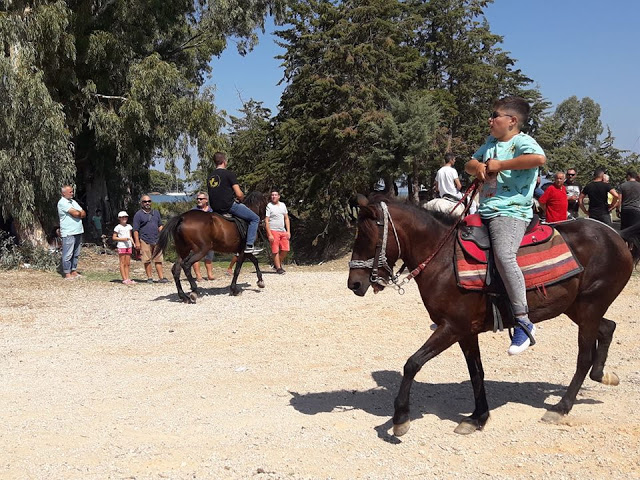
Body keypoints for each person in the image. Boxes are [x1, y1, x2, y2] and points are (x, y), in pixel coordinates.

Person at [465, 96, 546, 355]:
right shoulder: (489, 143)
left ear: (512, 121)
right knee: (458, 245)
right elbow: (468, 164)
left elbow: (538, 159)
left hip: (511, 211)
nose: (490, 120)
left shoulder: (522, 141)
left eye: (495, 115)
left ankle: (523, 320)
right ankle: (462, 308)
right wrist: (477, 166)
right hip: (484, 209)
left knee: (504, 256)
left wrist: (502, 165)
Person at [207, 152, 262, 254]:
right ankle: (249, 245)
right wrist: (241, 199)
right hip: (228, 206)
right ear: (224, 161)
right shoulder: (229, 174)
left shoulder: (210, 176)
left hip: (214, 207)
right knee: (255, 218)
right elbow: (239, 194)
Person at [132, 195, 168, 283]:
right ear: (141, 203)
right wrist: (137, 242)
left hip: (156, 239)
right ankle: (150, 278)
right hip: (144, 239)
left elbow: (160, 225)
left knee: (158, 259)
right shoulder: (138, 214)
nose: (147, 203)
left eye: (149, 201)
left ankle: (161, 277)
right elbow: (135, 230)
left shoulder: (156, 213)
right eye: (145, 201)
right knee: (147, 259)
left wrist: (163, 235)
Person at [57, 185, 86, 280]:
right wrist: (78, 213)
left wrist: (79, 213)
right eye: (70, 192)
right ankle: (67, 273)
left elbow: (83, 213)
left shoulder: (73, 202)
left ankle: (74, 271)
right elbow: (76, 213)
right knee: (68, 253)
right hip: (69, 232)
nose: (72, 193)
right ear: (64, 193)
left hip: (78, 230)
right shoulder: (62, 203)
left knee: (76, 253)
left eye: (72, 191)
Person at [265, 190, 291, 274]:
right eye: (272, 195)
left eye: (275, 195)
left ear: (279, 196)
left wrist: (288, 231)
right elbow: (266, 220)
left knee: (285, 249)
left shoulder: (283, 205)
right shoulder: (269, 206)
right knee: (275, 250)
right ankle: (279, 268)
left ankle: (276, 264)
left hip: (282, 230)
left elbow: (286, 218)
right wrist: (269, 234)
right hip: (273, 230)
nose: (273, 196)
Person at [191, 192, 215, 281]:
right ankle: (198, 275)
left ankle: (210, 274)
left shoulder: (212, 211)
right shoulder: (193, 211)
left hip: (209, 237)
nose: (198, 200)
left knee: (209, 257)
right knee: (196, 256)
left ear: (206, 200)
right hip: (197, 238)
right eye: (197, 199)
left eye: (201, 199)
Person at [112, 211, 135, 285]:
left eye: (125, 217)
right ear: (119, 218)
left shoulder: (129, 226)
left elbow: (130, 236)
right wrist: (122, 239)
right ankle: (124, 278)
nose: (124, 218)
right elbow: (114, 237)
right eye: (122, 217)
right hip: (121, 246)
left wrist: (133, 243)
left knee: (127, 263)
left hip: (128, 245)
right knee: (122, 262)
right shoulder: (118, 227)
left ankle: (128, 278)